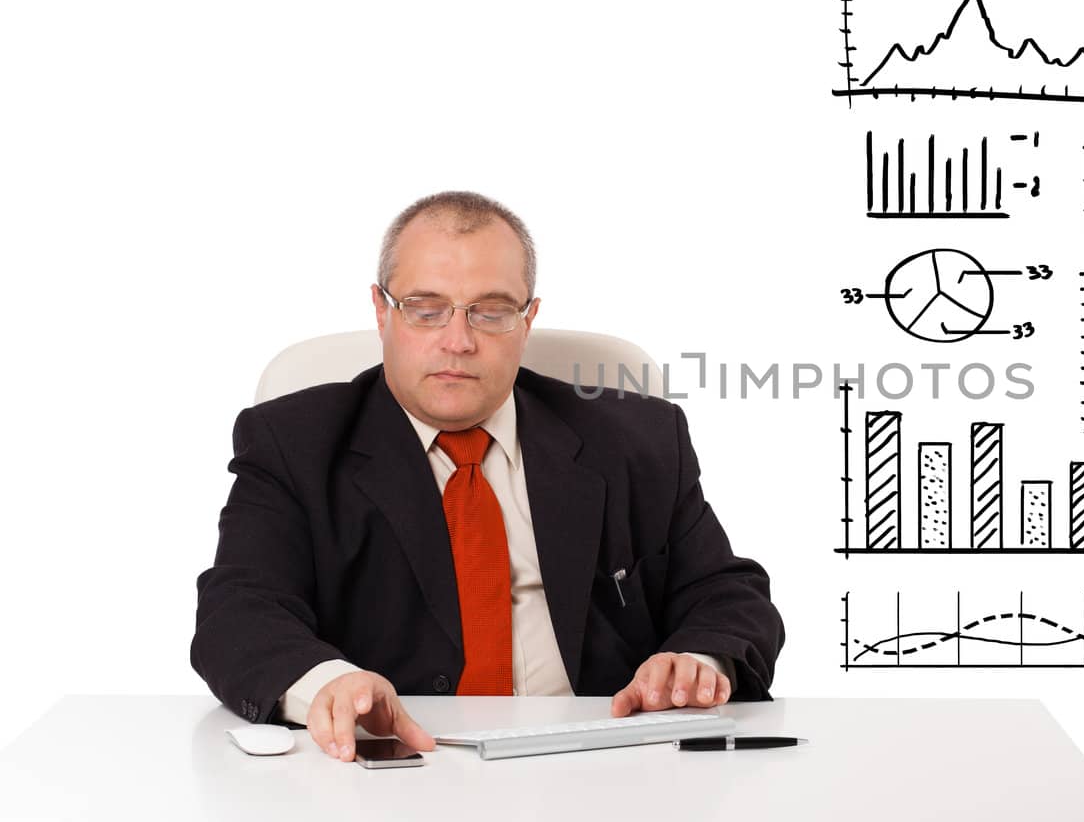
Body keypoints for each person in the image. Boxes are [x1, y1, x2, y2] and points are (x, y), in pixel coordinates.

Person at [191, 191, 783, 762]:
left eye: (491, 311)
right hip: (396, 768)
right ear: (381, 311)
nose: (458, 341)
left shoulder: (637, 439)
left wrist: (699, 660)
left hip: (605, 765)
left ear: (528, 320)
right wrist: (330, 686)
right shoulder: (294, 442)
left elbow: (728, 594)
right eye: (426, 310)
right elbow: (238, 611)